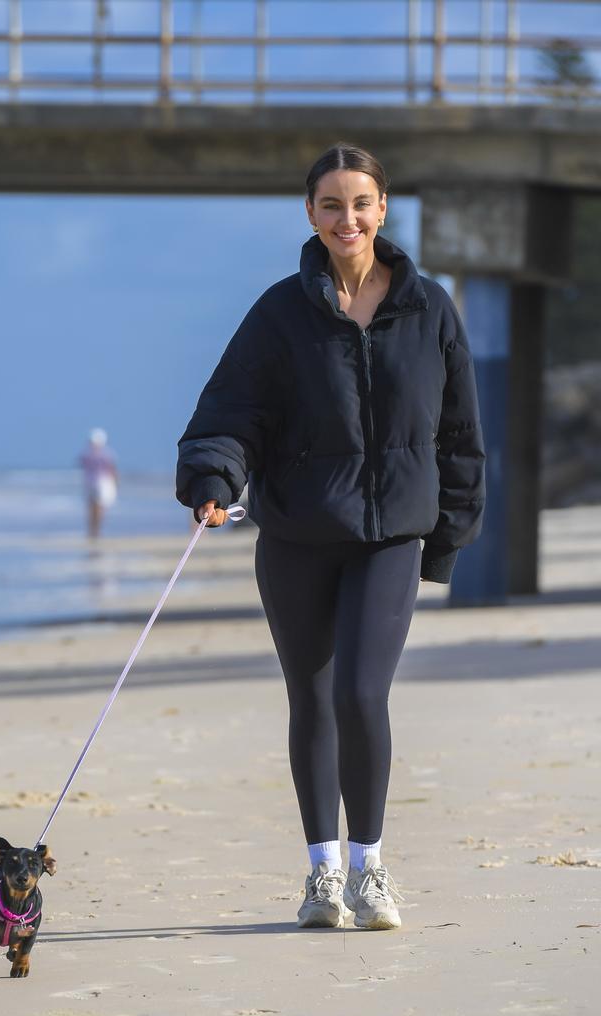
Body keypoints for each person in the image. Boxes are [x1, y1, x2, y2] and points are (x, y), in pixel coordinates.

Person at [176, 143, 485, 931]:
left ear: (383, 208)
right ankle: (321, 874)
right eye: (330, 205)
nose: (347, 219)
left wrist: (446, 534)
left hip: (391, 538)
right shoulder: (280, 312)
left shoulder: (430, 309)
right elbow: (231, 411)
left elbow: (460, 433)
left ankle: (369, 869)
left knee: (360, 694)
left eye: (360, 203)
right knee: (310, 697)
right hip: (298, 534)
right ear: (310, 215)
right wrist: (213, 479)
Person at [79, 428, 118, 539]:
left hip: (100, 483)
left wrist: (114, 482)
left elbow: (112, 469)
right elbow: (113, 469)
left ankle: (95, 530)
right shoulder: (93, 454)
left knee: (97, 507)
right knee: (93, 507)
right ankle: (94, 529)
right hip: (94, 483)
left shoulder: (103, 454)